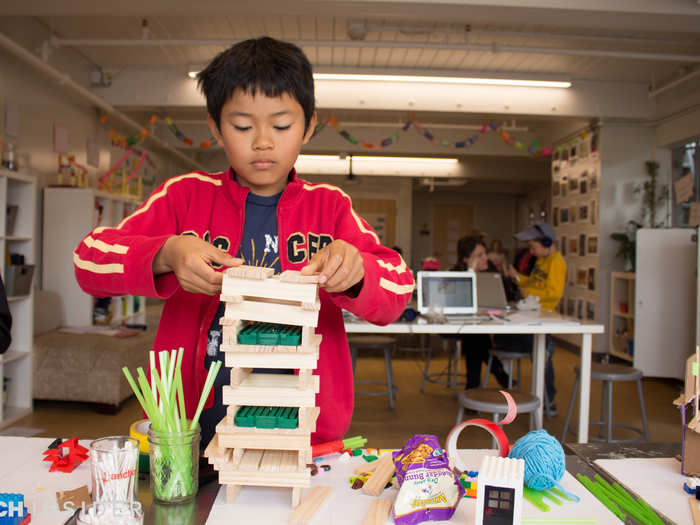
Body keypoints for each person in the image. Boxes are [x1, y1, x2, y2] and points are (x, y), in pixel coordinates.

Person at [73, 36, 414, 448]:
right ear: (216, 127)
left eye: (281, 125)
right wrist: (166, 252)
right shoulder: (184, 197)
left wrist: (358, 270)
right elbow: (88, 261)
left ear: (308, 126)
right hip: (188, 432)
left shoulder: (330, 207)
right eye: (242, 126)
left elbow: (397, 289)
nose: (263, 142)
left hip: (306, 435)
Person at [497, 222, 566, 416]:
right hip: (532, 313)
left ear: (546, 243)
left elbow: (553, 292)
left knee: (544, 360)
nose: (532, 252)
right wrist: (517, 277)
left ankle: (549, 401)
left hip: (545, 317)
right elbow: (531, 282)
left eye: (533, 247)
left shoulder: (557, 263)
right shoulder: (542, 261)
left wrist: (528, 291)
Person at [452, 236, 509, 390]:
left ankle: (473, 388)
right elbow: (460, 300)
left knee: (476, 339)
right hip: (455, 325)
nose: (485, 258)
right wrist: (471, 272)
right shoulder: (456, 272)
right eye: (480, 255)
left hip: (481, 323)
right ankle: (500, 375)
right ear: (466, 259)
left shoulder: (489, 268)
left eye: (485, 253)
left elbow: (505, 293)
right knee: (476, 339)